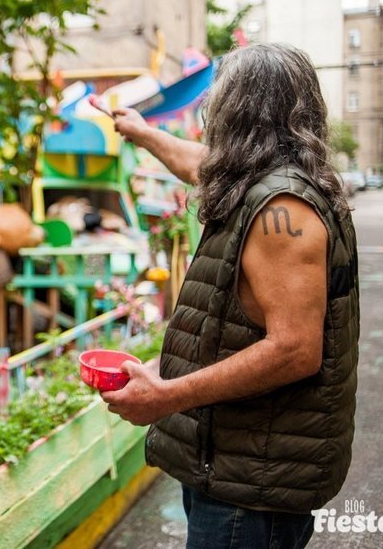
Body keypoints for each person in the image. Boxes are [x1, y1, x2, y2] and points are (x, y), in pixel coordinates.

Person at [102, 43, 359, 549]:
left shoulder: (282, 212)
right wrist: (142, 131)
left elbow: (293, 351)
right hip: (236, 467)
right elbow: (193, 162)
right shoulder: (258, 181)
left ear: (235, 110)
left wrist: (166, 396)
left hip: (252, 488)